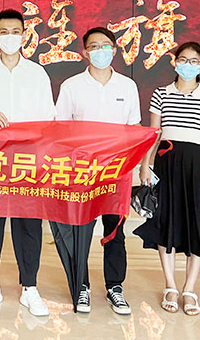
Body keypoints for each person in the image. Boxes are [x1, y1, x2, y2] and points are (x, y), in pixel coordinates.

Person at [0, 9, 56, 317]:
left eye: (15, 31)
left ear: (24, 35)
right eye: (4, 31)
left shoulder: (37, 74)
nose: (10, 37)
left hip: (28, 159)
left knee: (28, 223)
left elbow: (49, 118)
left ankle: (29, 286)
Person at [52, 27, 140, 315]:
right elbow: (60, 129)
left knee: (115, 230)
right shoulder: (71, 86)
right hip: (81, 171)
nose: (100, 51)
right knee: (80, 231)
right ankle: (82, 286)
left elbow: (134, 129)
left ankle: (115, 286)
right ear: (84, 52)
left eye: (105, 46)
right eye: (94, 46)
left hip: (116, 170)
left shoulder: (127, 86)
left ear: (114, 50)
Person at [135, 42, 200, 316]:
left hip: (197, 163)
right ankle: (170, 285)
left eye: (194, 61)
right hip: (167, 161)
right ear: (175, 62)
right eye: (183, 60)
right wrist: (146, 164)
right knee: (166, 221)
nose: (188, 65)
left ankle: (190, 289)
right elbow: (154, 133)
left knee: (197, 222)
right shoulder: (161, 93)